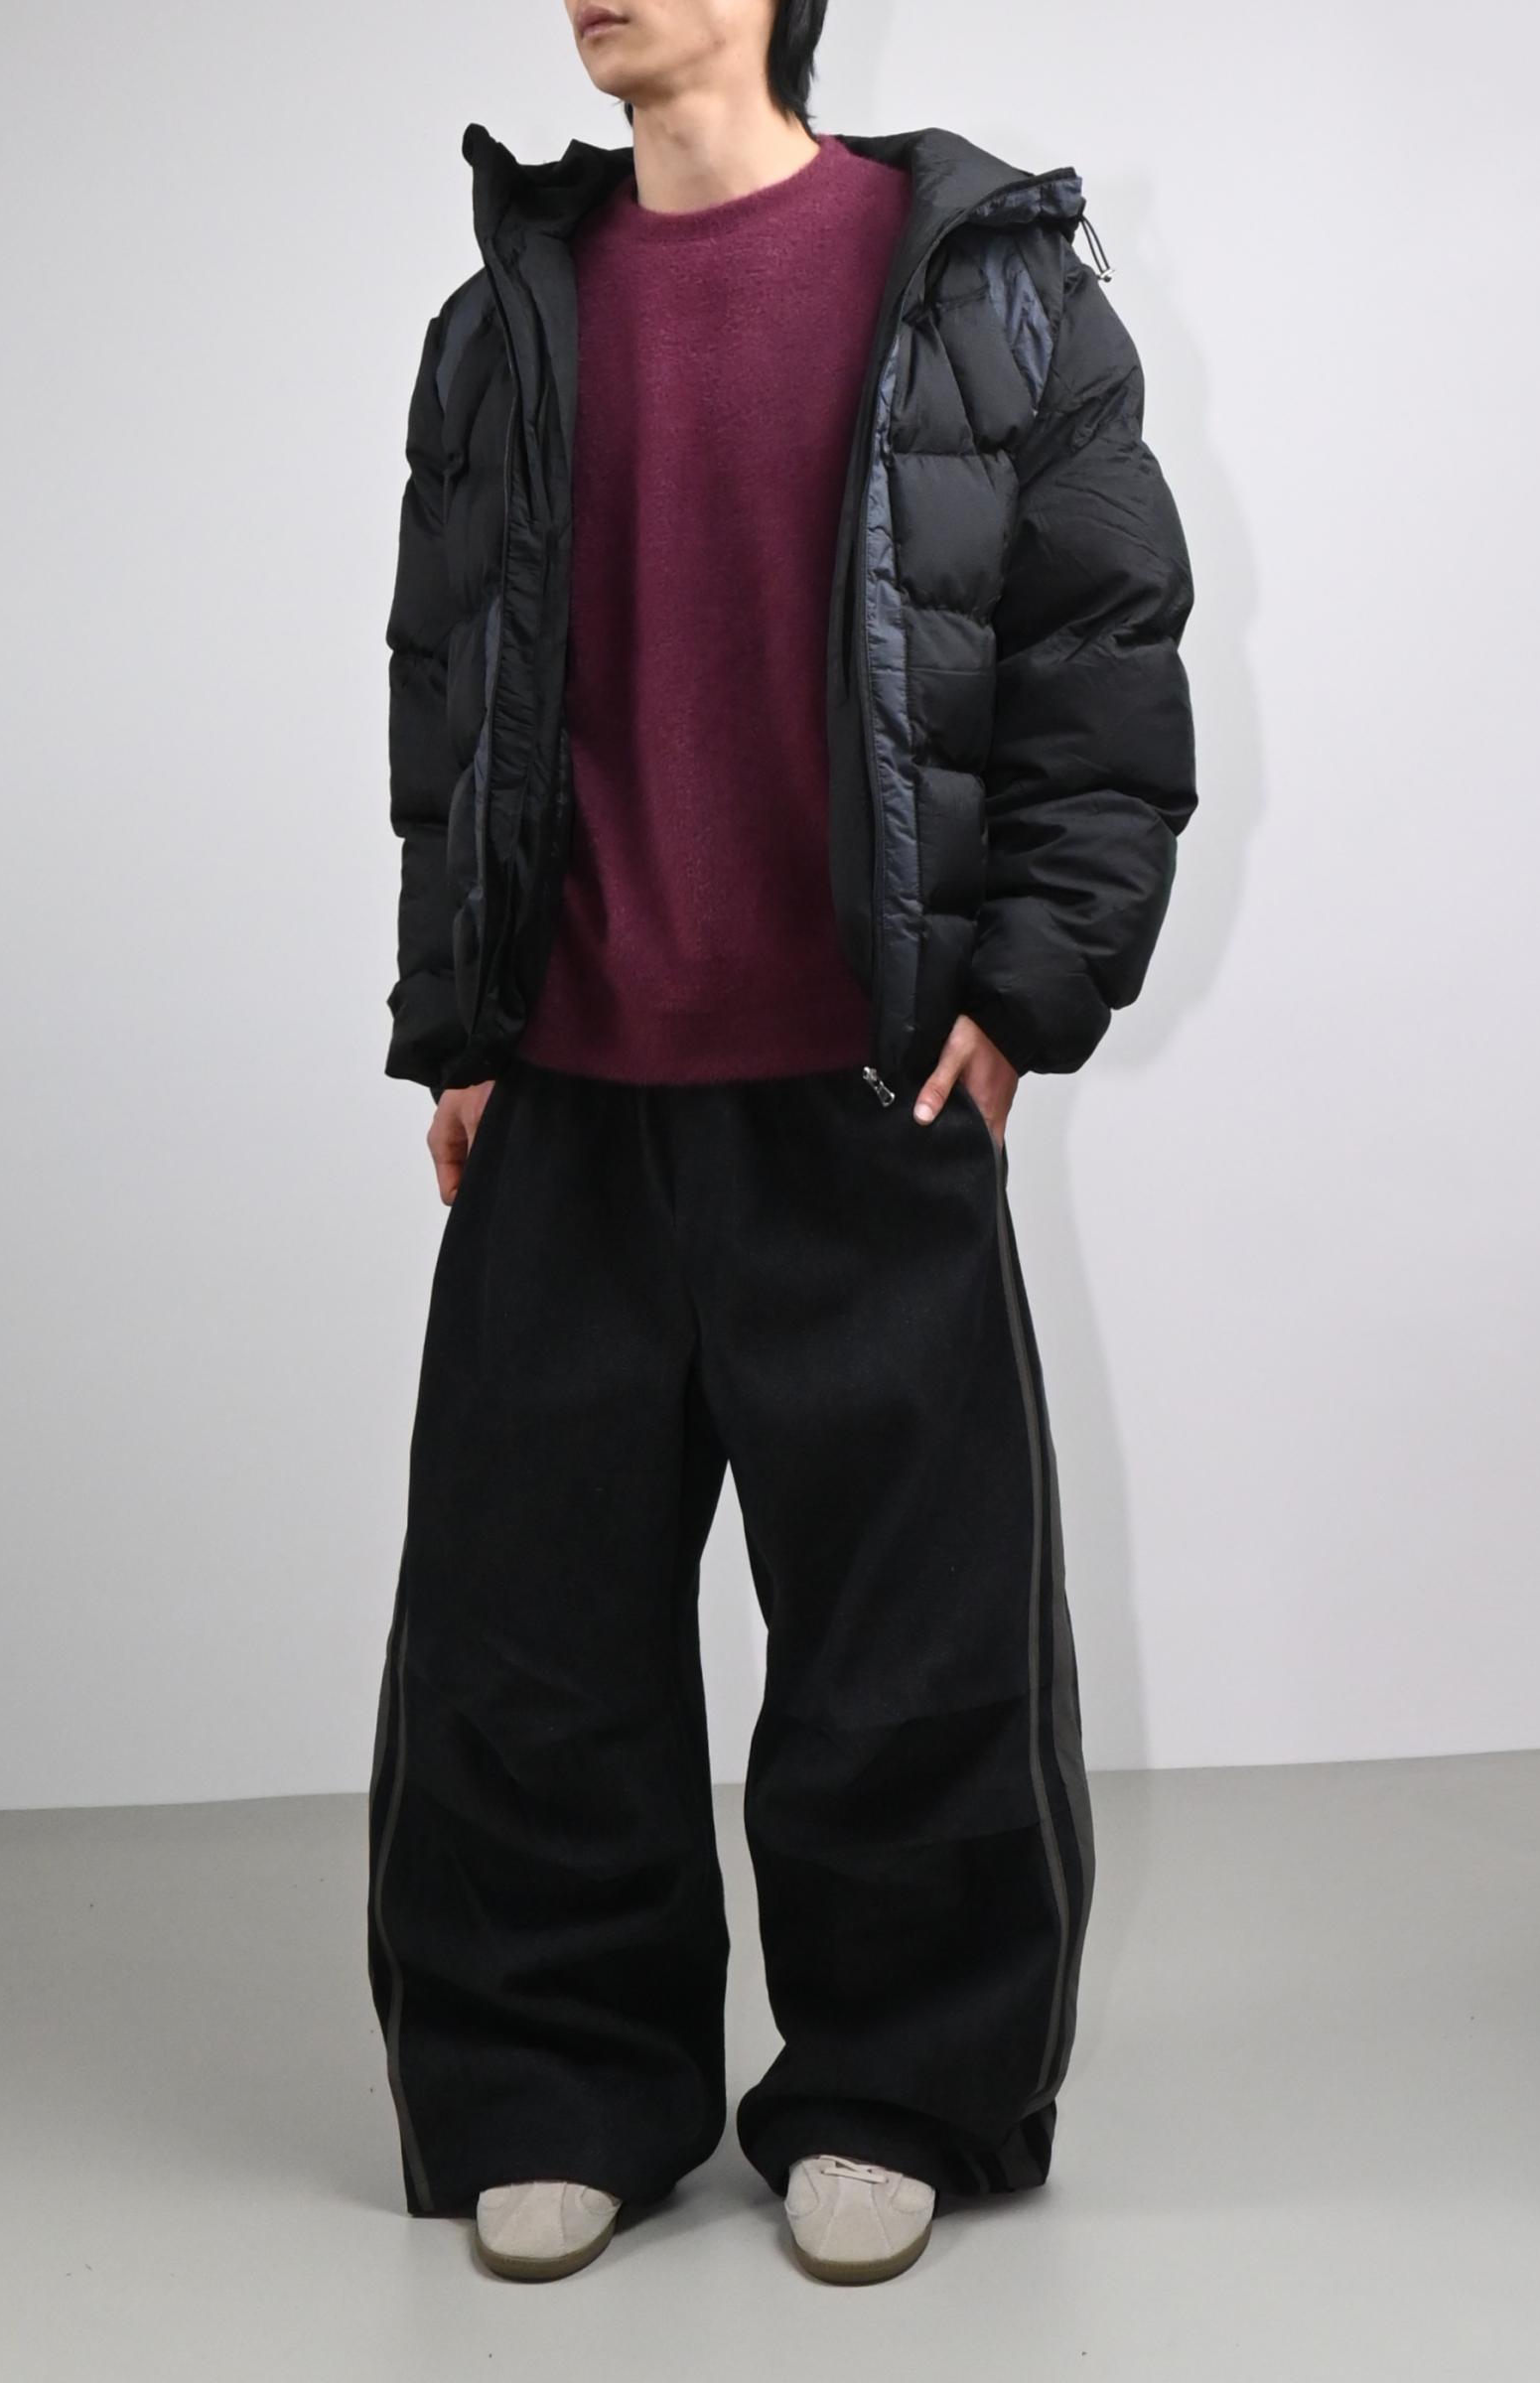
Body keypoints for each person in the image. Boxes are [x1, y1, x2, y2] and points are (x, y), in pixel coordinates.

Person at [365, 0, 1197, 2286]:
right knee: (528, 1642)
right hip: (568, 1086)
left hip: (862, 1086)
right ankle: (558, 2084)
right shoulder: (502, 319)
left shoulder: (993, 292)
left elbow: (1103, 660)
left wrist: (1023, 1002)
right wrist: (457, 1025)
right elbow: (449, 684)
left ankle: (899, 2085)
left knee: (909, 1639)